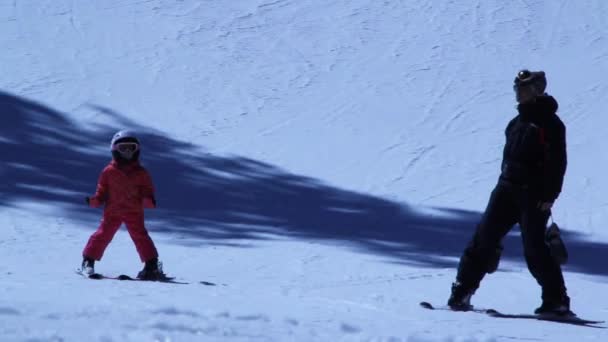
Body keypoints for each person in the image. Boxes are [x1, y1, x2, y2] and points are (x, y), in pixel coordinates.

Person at [447, 70, 571, 315]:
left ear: (536, 90)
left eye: (523, 89)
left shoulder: (551, 124)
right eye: (517, 89)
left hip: (534, 195)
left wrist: (549, 195)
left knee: (535, 248)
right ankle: (462, 291)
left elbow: (558, 162)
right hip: (506, 189)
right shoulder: (516, 123)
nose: (518, 94)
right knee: (483, 239)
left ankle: (556, 301)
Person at [80, 130, 166, 280]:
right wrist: (95, 201)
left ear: (136, 150)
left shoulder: (141, 172)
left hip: (134, 211)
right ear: (114, 150)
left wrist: (148, 199)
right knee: (102, 235)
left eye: (131, 148)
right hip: (113, 210)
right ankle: (88, 261)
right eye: (123, 148)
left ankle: (151, 265)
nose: (127, 152)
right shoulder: (108, 172)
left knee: (140, 236)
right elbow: (102, 191)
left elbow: (147, 189)